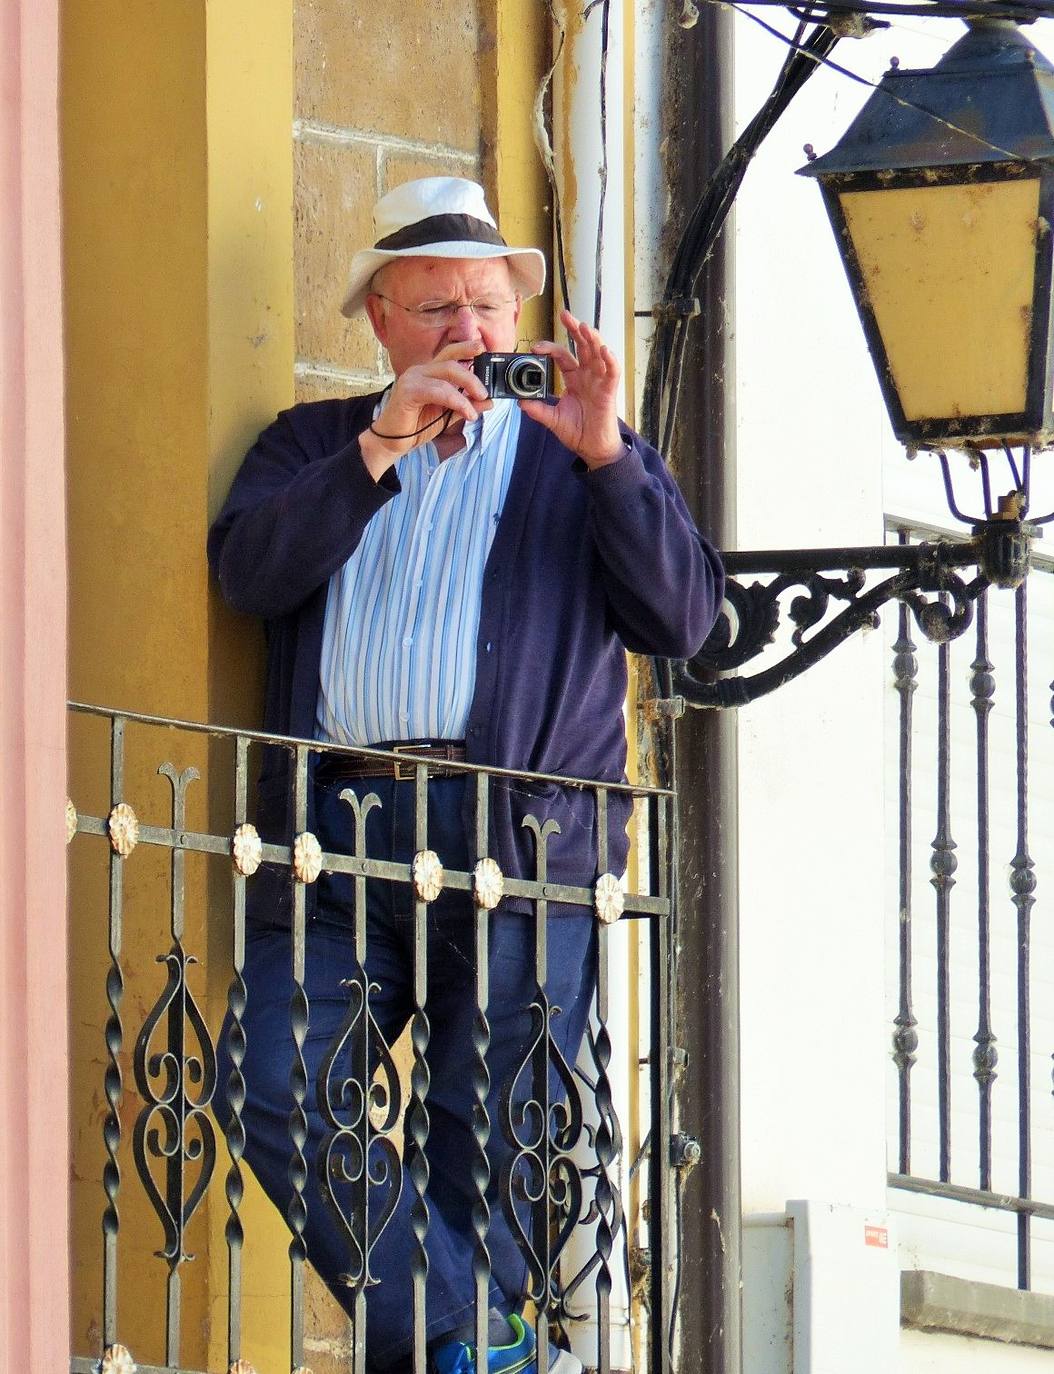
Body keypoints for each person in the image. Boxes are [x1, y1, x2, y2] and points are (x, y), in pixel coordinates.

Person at [208, 176, 724, 1374]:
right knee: (274, 1076)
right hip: (333, 830)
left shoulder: (581, 457)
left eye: (487, 307)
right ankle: (468, 1335)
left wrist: (606, 457)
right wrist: (378, 447)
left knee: (480, 1141)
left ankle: (450, 1346)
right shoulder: (310, 444)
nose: (468, 337)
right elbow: (250, 572)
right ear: (380, 322)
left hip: (522, 834)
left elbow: (683, 619)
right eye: (435, 309)